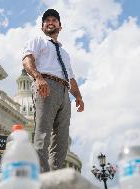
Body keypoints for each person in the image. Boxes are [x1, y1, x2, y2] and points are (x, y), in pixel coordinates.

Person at [22, 9, 84, 172]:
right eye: (47, 20)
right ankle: (41, 174)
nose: (50, 22)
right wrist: (38, 77)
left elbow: (70, 77)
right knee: (43, 132)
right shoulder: (38, 41)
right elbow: (27, 60)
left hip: (64, 91)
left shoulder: (65, 53)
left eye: (54, 20)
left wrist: (78, 96)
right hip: (46, 85)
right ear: (42, 26)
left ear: (60, 26)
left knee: (62, 139)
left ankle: (54, 176)